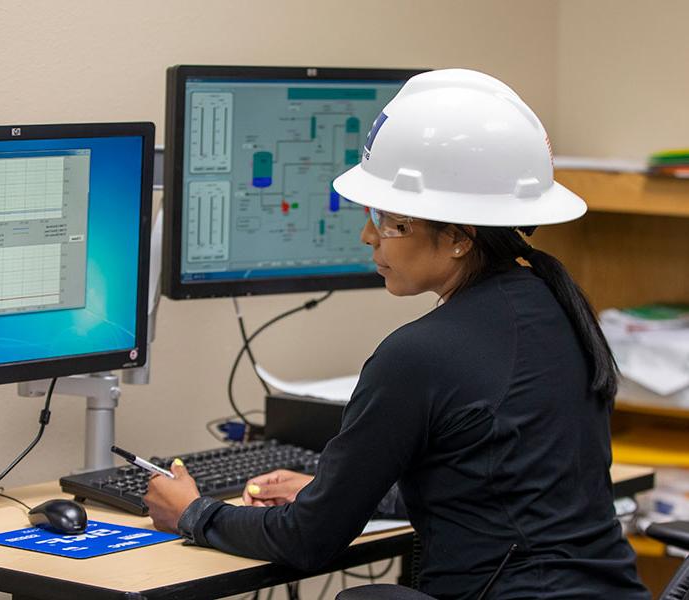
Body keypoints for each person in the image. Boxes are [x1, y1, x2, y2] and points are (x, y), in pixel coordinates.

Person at [144, 69, 649, 599]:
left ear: (457, 238)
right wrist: (337, 494)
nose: (369, 236)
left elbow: (308, 542)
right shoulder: (557, 304)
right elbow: (501, 491)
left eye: (391, 222)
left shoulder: (420, 354)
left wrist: (193, 513)